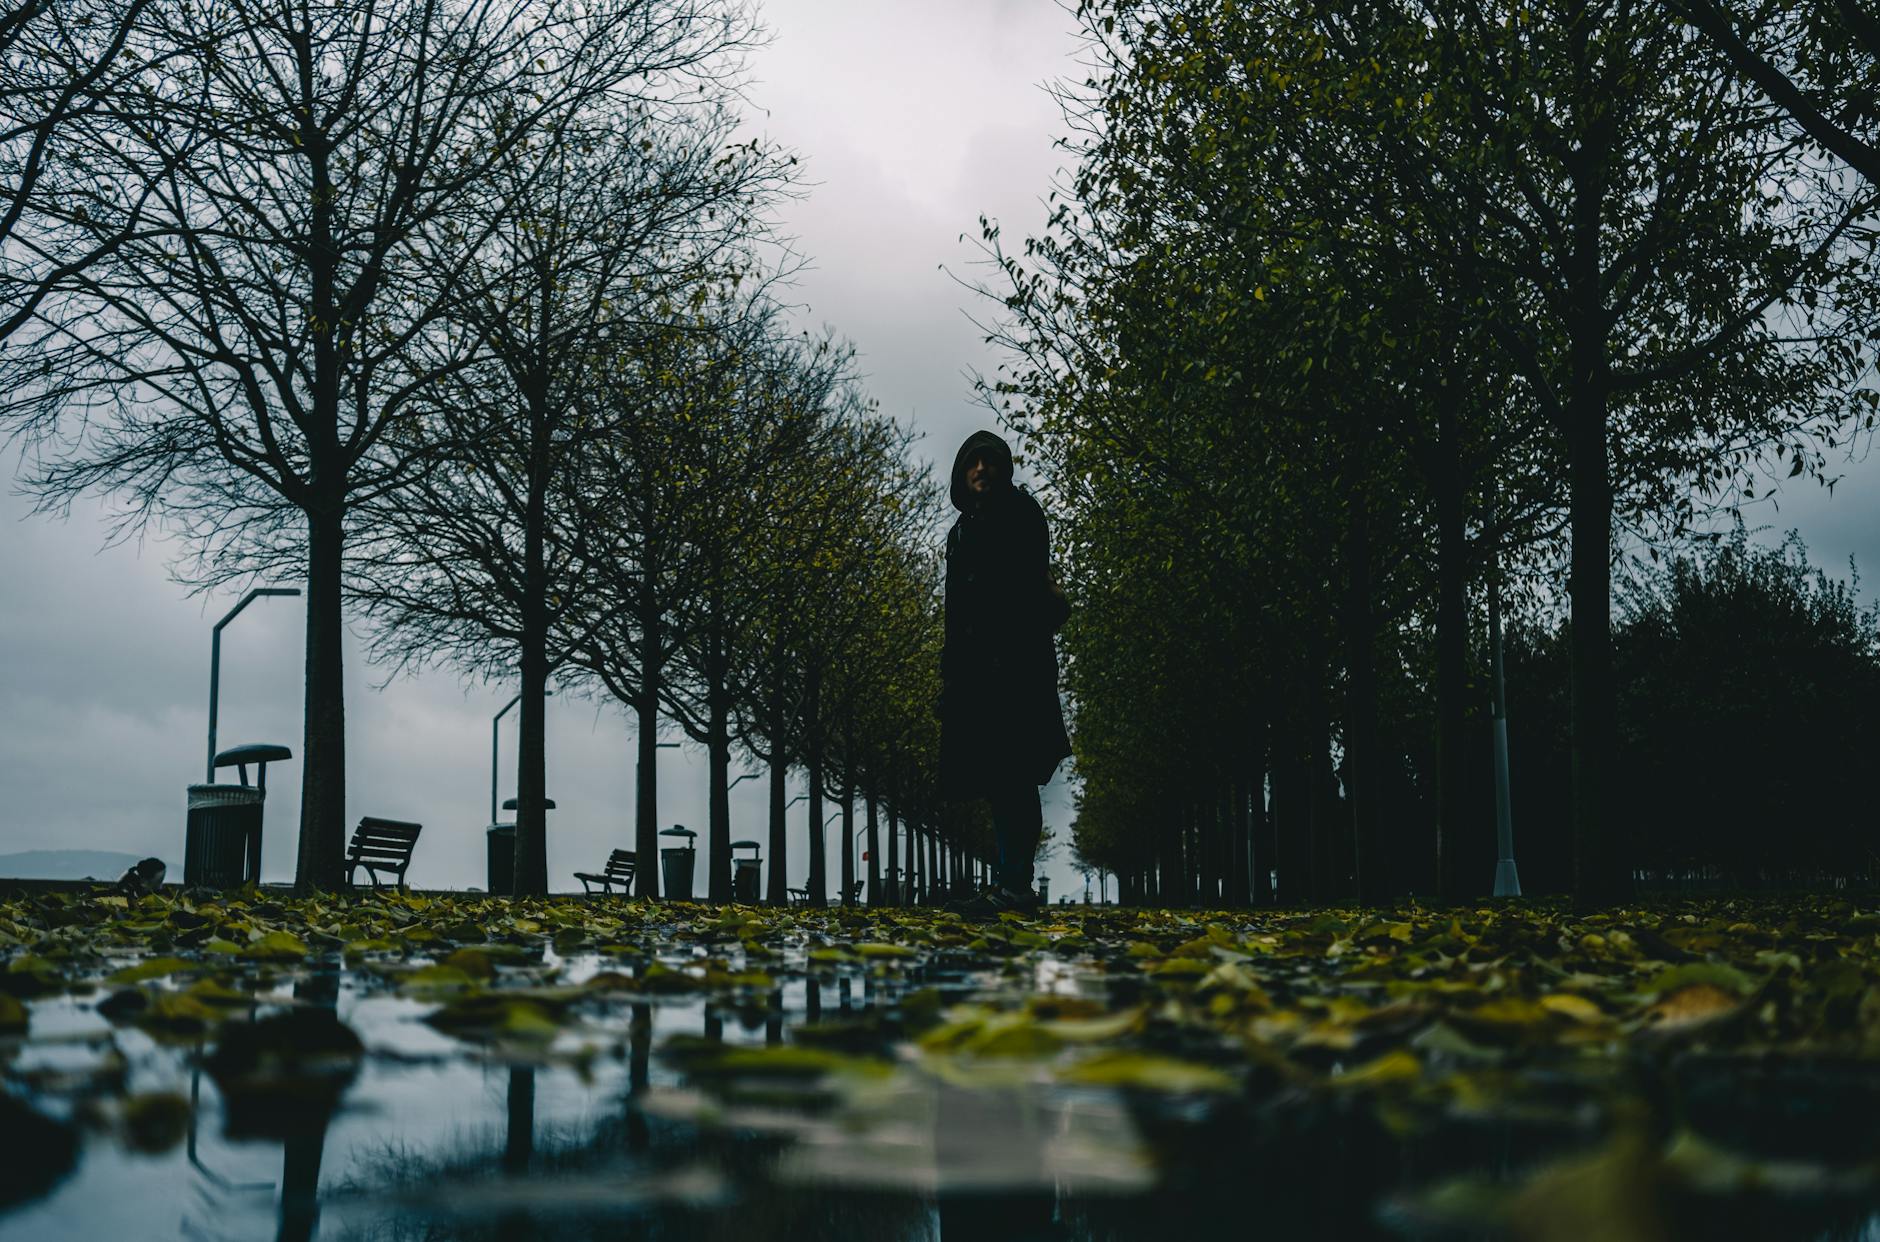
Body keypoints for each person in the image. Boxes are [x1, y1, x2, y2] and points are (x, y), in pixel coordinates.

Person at [939, 430, 1070, 914]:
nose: (981, 469)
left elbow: (1021, 592)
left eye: (989, 461)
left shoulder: (1020, 514)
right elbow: (956, 611)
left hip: (1017, 670)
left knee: (1014, 776)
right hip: (978, 677)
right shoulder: (960, 533)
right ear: (962, 472)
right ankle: (1011, 884)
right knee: (999, 780)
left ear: (1003, 469)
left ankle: (1016, 885)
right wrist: (952, 674)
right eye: (973, 462)